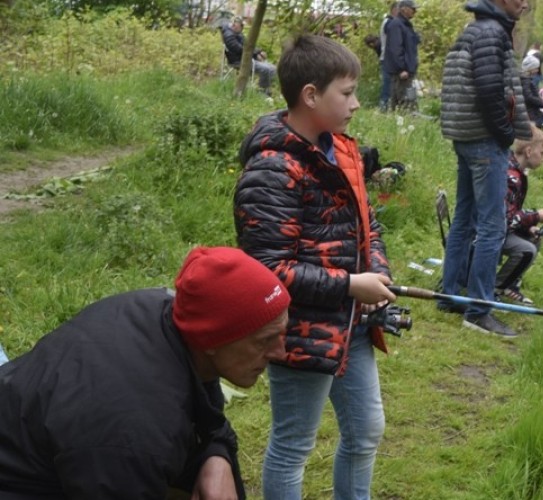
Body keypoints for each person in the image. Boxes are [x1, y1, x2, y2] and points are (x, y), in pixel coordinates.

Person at [233, 34, 396, 500]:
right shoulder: (272, 169)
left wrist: (376, 273)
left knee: (366, 431)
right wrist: (350, 285)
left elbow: (369, 224)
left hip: (353, 322)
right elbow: (267, 269)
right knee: (293, 445)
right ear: (310, 95)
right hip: (301, 329)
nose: (357, 103)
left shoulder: (341, 150)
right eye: (346, 93)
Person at [0, 246, 291, 499]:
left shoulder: (168, 317)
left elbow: (205, 409)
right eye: (264, 340)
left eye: (282, 334)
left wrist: (217, 453)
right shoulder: (134, 431)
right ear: (213, 340)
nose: (281, 353)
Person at [439, 0, 531, 339]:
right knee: (493, 226)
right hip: (483, 141)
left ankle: (450, 295)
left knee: (464, 219)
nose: (525, 4)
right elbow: (491, 88)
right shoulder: (493, 32)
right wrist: (505, 135)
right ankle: (479, 311)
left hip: (464, 136)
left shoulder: (475, 28)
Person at [496, 124, 543, 305]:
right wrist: (536, 216)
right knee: (527, 250)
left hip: (501, 227)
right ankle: (497, 287)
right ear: (528, 151)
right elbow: (508, 218)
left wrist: (529, 226)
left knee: (535, 238)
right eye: (542, 153)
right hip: (490, 231)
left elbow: (511, 214)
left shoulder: (517, 171)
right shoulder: (512, 176)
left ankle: (510, 284)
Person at [221, 16, 277, 96]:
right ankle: (263, 94)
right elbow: (240, 50)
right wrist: (255, 55)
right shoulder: (229, 36)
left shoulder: (237, 33)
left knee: (273, 69)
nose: (242, 28)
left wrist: (259, 52)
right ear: (235, 25)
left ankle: (264, 90)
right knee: (266, 69)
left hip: (247, 58)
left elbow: (248, 44)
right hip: (239, 61)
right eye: (241, 26)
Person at [383, 0, 421, 111]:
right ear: (404, 9)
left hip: (407, 70)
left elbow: (409, 47)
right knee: (407, 103)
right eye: (413, 8)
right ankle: (410, 123)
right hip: (402, 72)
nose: (415, 11)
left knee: (398, 104)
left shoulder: (406, 25)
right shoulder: (396, 24)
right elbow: (395, 49)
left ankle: (396, 124)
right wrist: (402, 69)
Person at [378, 2, 399, 111]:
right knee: (387, 87)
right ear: (394, 10)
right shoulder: (389, 23)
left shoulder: (389, 22)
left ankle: (388, 109)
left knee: (391, 87)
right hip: (388, 59)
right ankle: (383, 109)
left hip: (389, 59)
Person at [521, 54, 543, 124]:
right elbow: (528, 97)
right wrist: (541, 102)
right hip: (529, 112)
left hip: (531, 111)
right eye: (536, 68)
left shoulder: (527, 79)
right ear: (530, 68)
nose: (537, 70)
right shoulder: (526, 81)